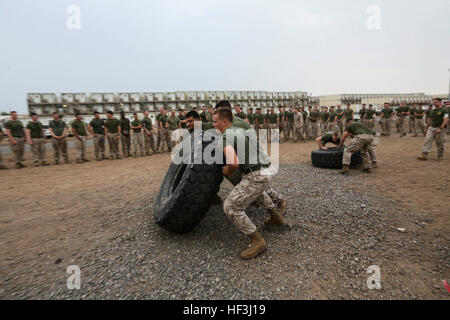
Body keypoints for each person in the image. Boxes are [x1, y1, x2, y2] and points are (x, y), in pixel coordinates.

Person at [213, 107, 287, 260]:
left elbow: (233, 164)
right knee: (256, 192)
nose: (213, 125)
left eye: (215, 122)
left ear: (224, 121)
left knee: (231, 207)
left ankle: (257, 240)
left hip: (256, 175)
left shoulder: (226, 137)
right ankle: (276, 218)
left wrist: (226, 170)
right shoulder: (240, 130)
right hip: (264, 170)